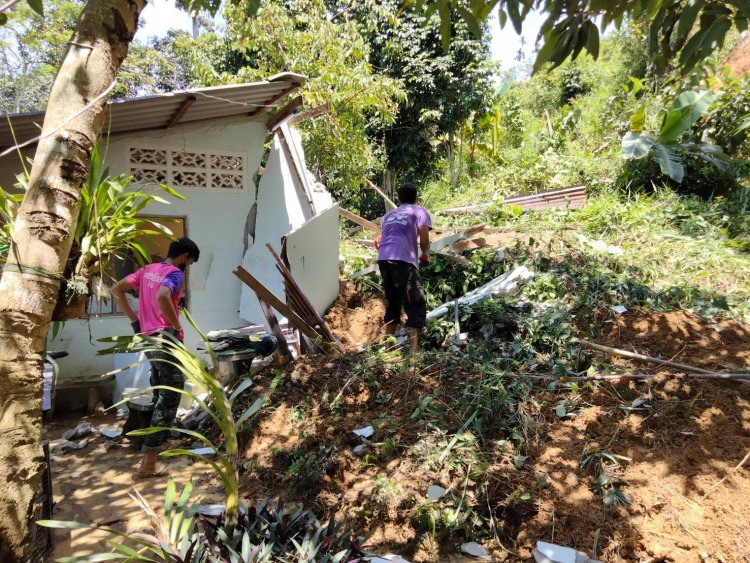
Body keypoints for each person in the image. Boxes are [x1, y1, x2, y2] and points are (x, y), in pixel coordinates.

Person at [110, 237, 200, 477]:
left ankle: (160, 439)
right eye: (189, 262)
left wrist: (134, 321)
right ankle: (150, 461)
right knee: (171, 394)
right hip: (164, 339)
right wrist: (174, 325)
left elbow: (116, 289)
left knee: (161, 391)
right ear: (185, 257)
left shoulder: (147, 270)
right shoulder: (174, 273)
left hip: (148, 337)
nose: (187, 267)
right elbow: (163, 296)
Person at [375, 182, 432, 352]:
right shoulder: (419, 211)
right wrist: (425, 254)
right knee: (415, 303)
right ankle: (414, 353)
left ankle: (387, 348)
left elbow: (384, 239)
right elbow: (424, 239)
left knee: (393, 303)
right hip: (404, 261)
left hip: (384, 260)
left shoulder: (388, 215)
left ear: (398, 199)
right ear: (415, 197)